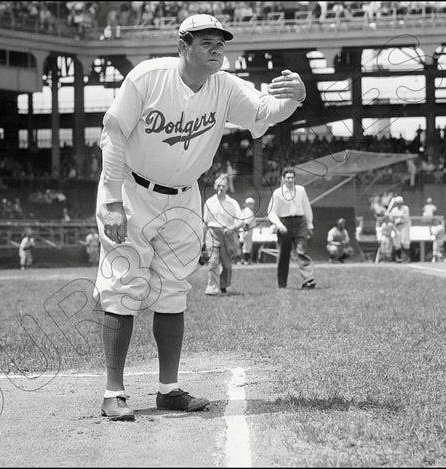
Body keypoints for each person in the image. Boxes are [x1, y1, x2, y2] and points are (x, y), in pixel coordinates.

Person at [94, 13, 306, 420]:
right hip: (133, 191)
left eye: (221, 43)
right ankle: (113, 391)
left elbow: (264, 110)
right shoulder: (147, 78)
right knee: (123, 285)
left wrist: (295, 97)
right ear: (182, 46)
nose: (217, 49)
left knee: (173, 289)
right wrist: (110, 199)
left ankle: (168, 388)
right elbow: (114, 132)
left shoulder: (224, 86)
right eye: (206, 42)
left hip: (185, 197)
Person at [267, 167, 316, 289]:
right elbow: (271, 213)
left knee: (301, 251)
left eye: (292, 178)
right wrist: (279, 225)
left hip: (300, 223)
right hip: (284, 223)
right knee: (284, 254)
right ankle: (282, 284)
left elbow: (306, 207)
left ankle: (308, 280)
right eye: (288, 178)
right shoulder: (277, 193)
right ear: (283, 179)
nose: (290, 180)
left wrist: (309, 224)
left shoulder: (301, 190)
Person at [203, 176, 243, 295]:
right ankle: (212, 289)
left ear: (227, 187)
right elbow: (205, 222)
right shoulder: (209, 202)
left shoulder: (232, 203)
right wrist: (201, 239)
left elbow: (241, 220)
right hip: (212, 232)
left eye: (223, 185)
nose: (221, 188)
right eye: (218, 185)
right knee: (213, 261)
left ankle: (223, 285)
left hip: (227, 234)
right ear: (215, 187)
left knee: (227, 264)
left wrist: (232, 227)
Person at [385, 195, 411, 262]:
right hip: (397, 227)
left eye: (400, 203)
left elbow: (401, 215)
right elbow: (391, 219)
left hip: (404, 226)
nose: (398, 204)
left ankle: (407, 258)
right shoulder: (394, 209)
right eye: (397, 203)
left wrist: (389, 214)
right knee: (397, 243)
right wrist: (387, 214)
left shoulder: (405, 208)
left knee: (405, 242)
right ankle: (399, 258)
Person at [240, 197, 256, 264]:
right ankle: (246, 260)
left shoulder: (245, 210)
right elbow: (247, 222)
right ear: (249, 204)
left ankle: (244, 259)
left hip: (246, 230)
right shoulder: (248, 211)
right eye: (252, 204)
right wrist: (246, 231)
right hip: (247, 230)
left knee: (246, 245)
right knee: (247, 245)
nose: (253, 205)